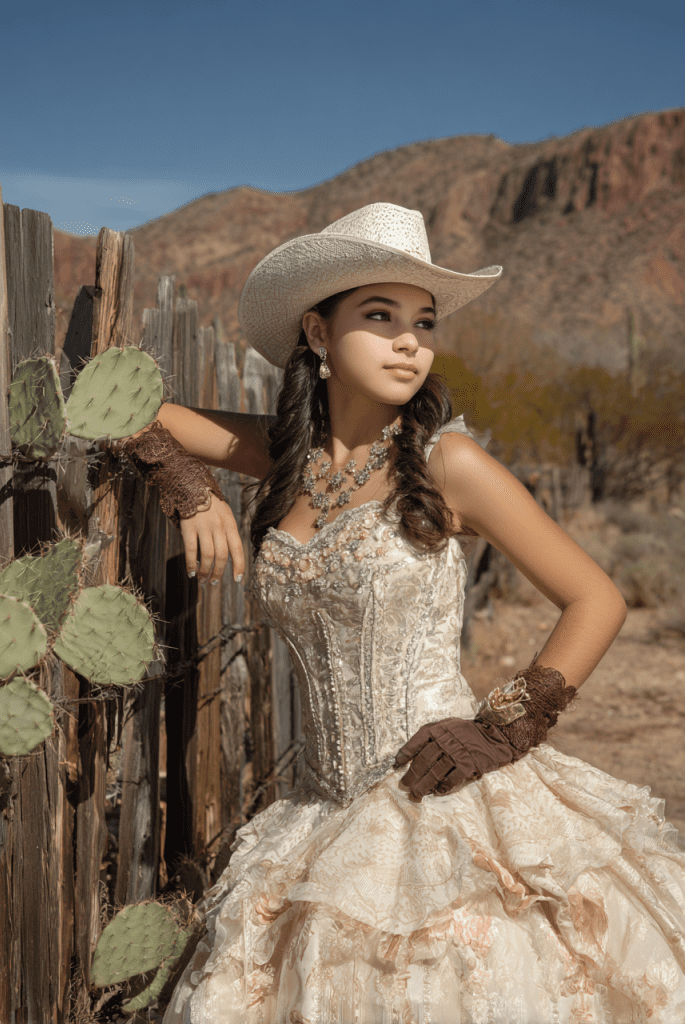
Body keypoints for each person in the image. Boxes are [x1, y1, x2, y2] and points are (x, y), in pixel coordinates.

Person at [123, 203, 685, 1023]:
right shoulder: (287, 462)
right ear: (317, 334)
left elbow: (596, 597)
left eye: (422, 322)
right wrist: (187, 491)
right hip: (313, 814)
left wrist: (500, 729)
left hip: (442, 799)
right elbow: (125, 409)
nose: (409, 341)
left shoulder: (448, 462)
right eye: (379, 316)